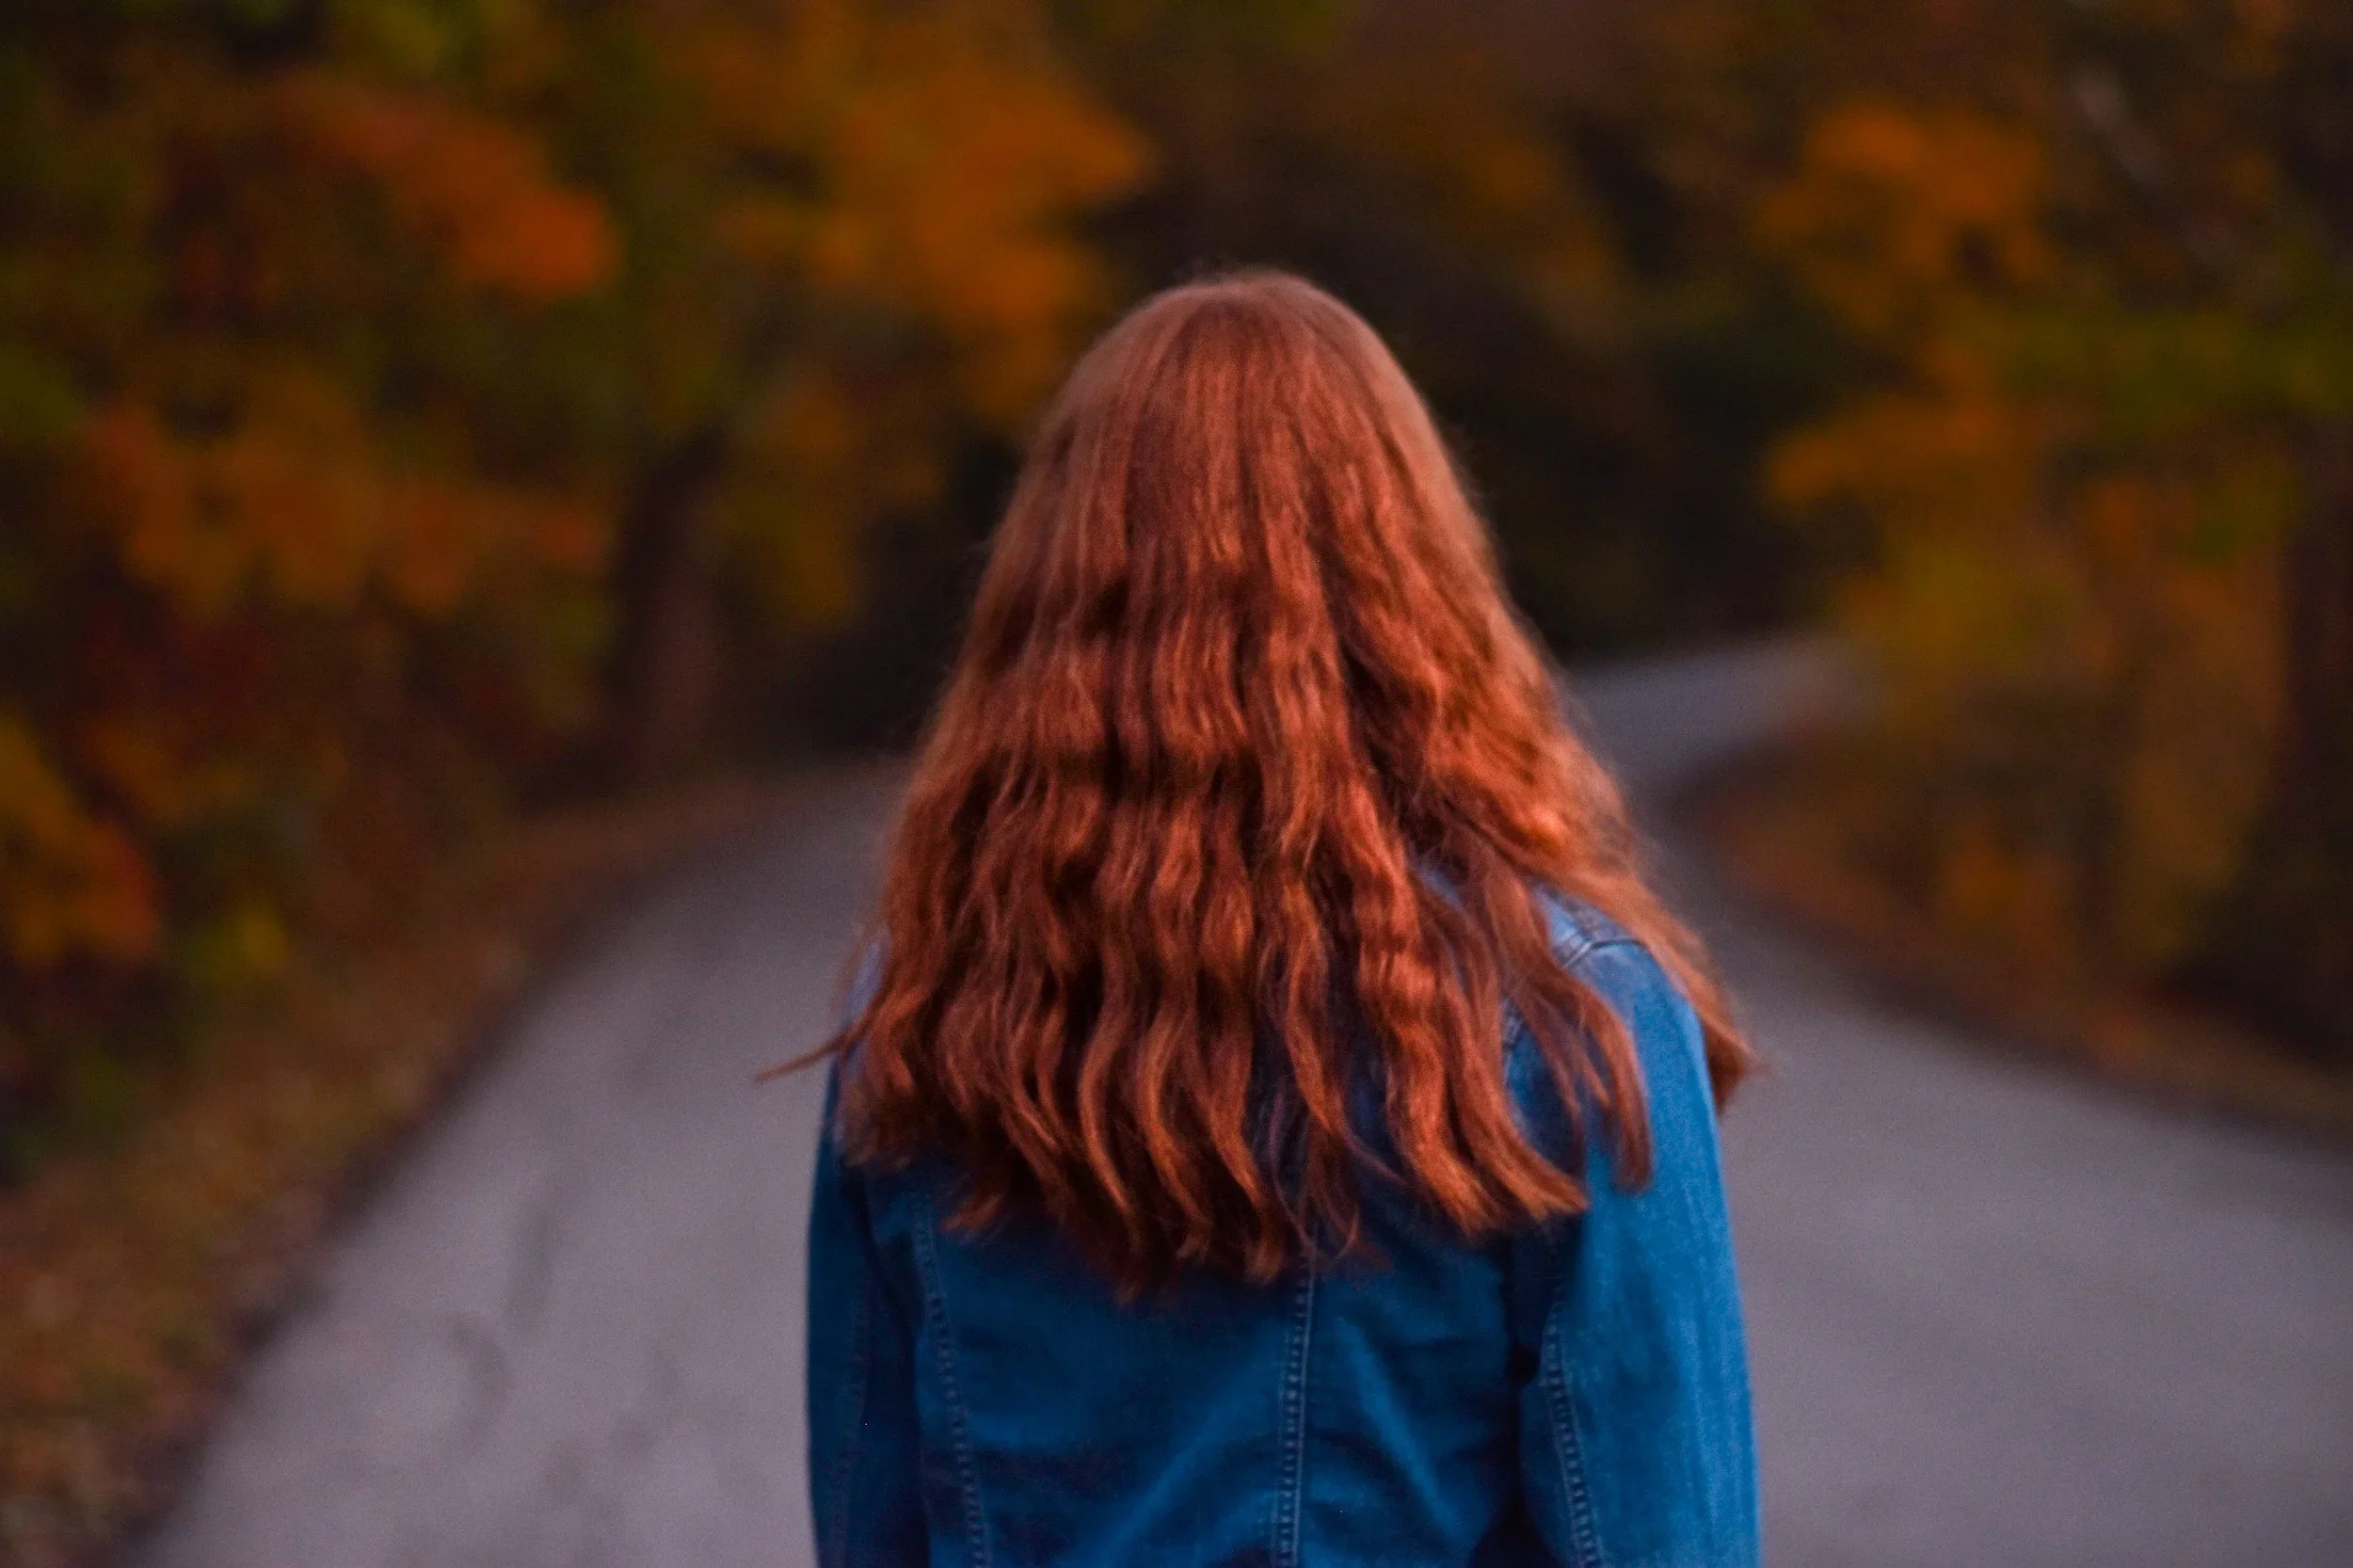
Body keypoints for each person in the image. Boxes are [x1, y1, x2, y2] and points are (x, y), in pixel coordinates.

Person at [795, 270, 1760, 1567]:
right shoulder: (1569, 1017)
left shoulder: (920, 1023)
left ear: (1053, 600)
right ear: (1415, 581)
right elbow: (1665, 1539)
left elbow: (873, 1529)